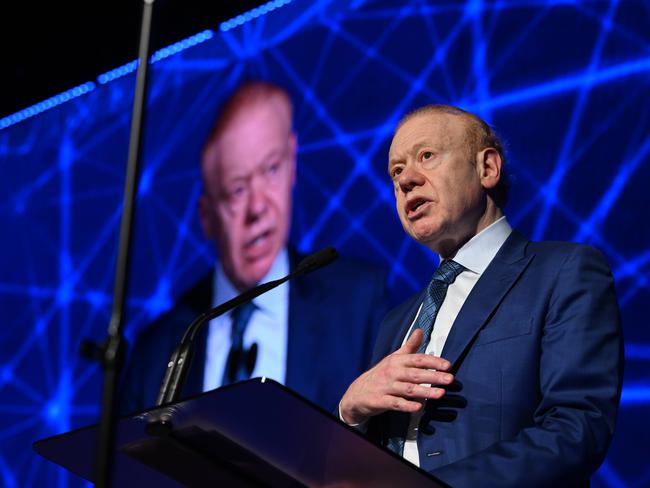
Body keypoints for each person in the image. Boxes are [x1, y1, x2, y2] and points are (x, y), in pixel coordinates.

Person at [339, 105, 623, 486]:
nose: (407, 179)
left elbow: (576, 430)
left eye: (426, 156)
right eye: (396, 171)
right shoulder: (397, 322)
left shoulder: (563, 273)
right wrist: (350, 413)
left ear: (487, 168)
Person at [121, 81, 387, 414]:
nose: (257, 207)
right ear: (206, 217)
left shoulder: (359, 303)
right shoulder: (157, 352)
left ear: (292, 163)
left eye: (271, 169)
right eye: (236, 190)